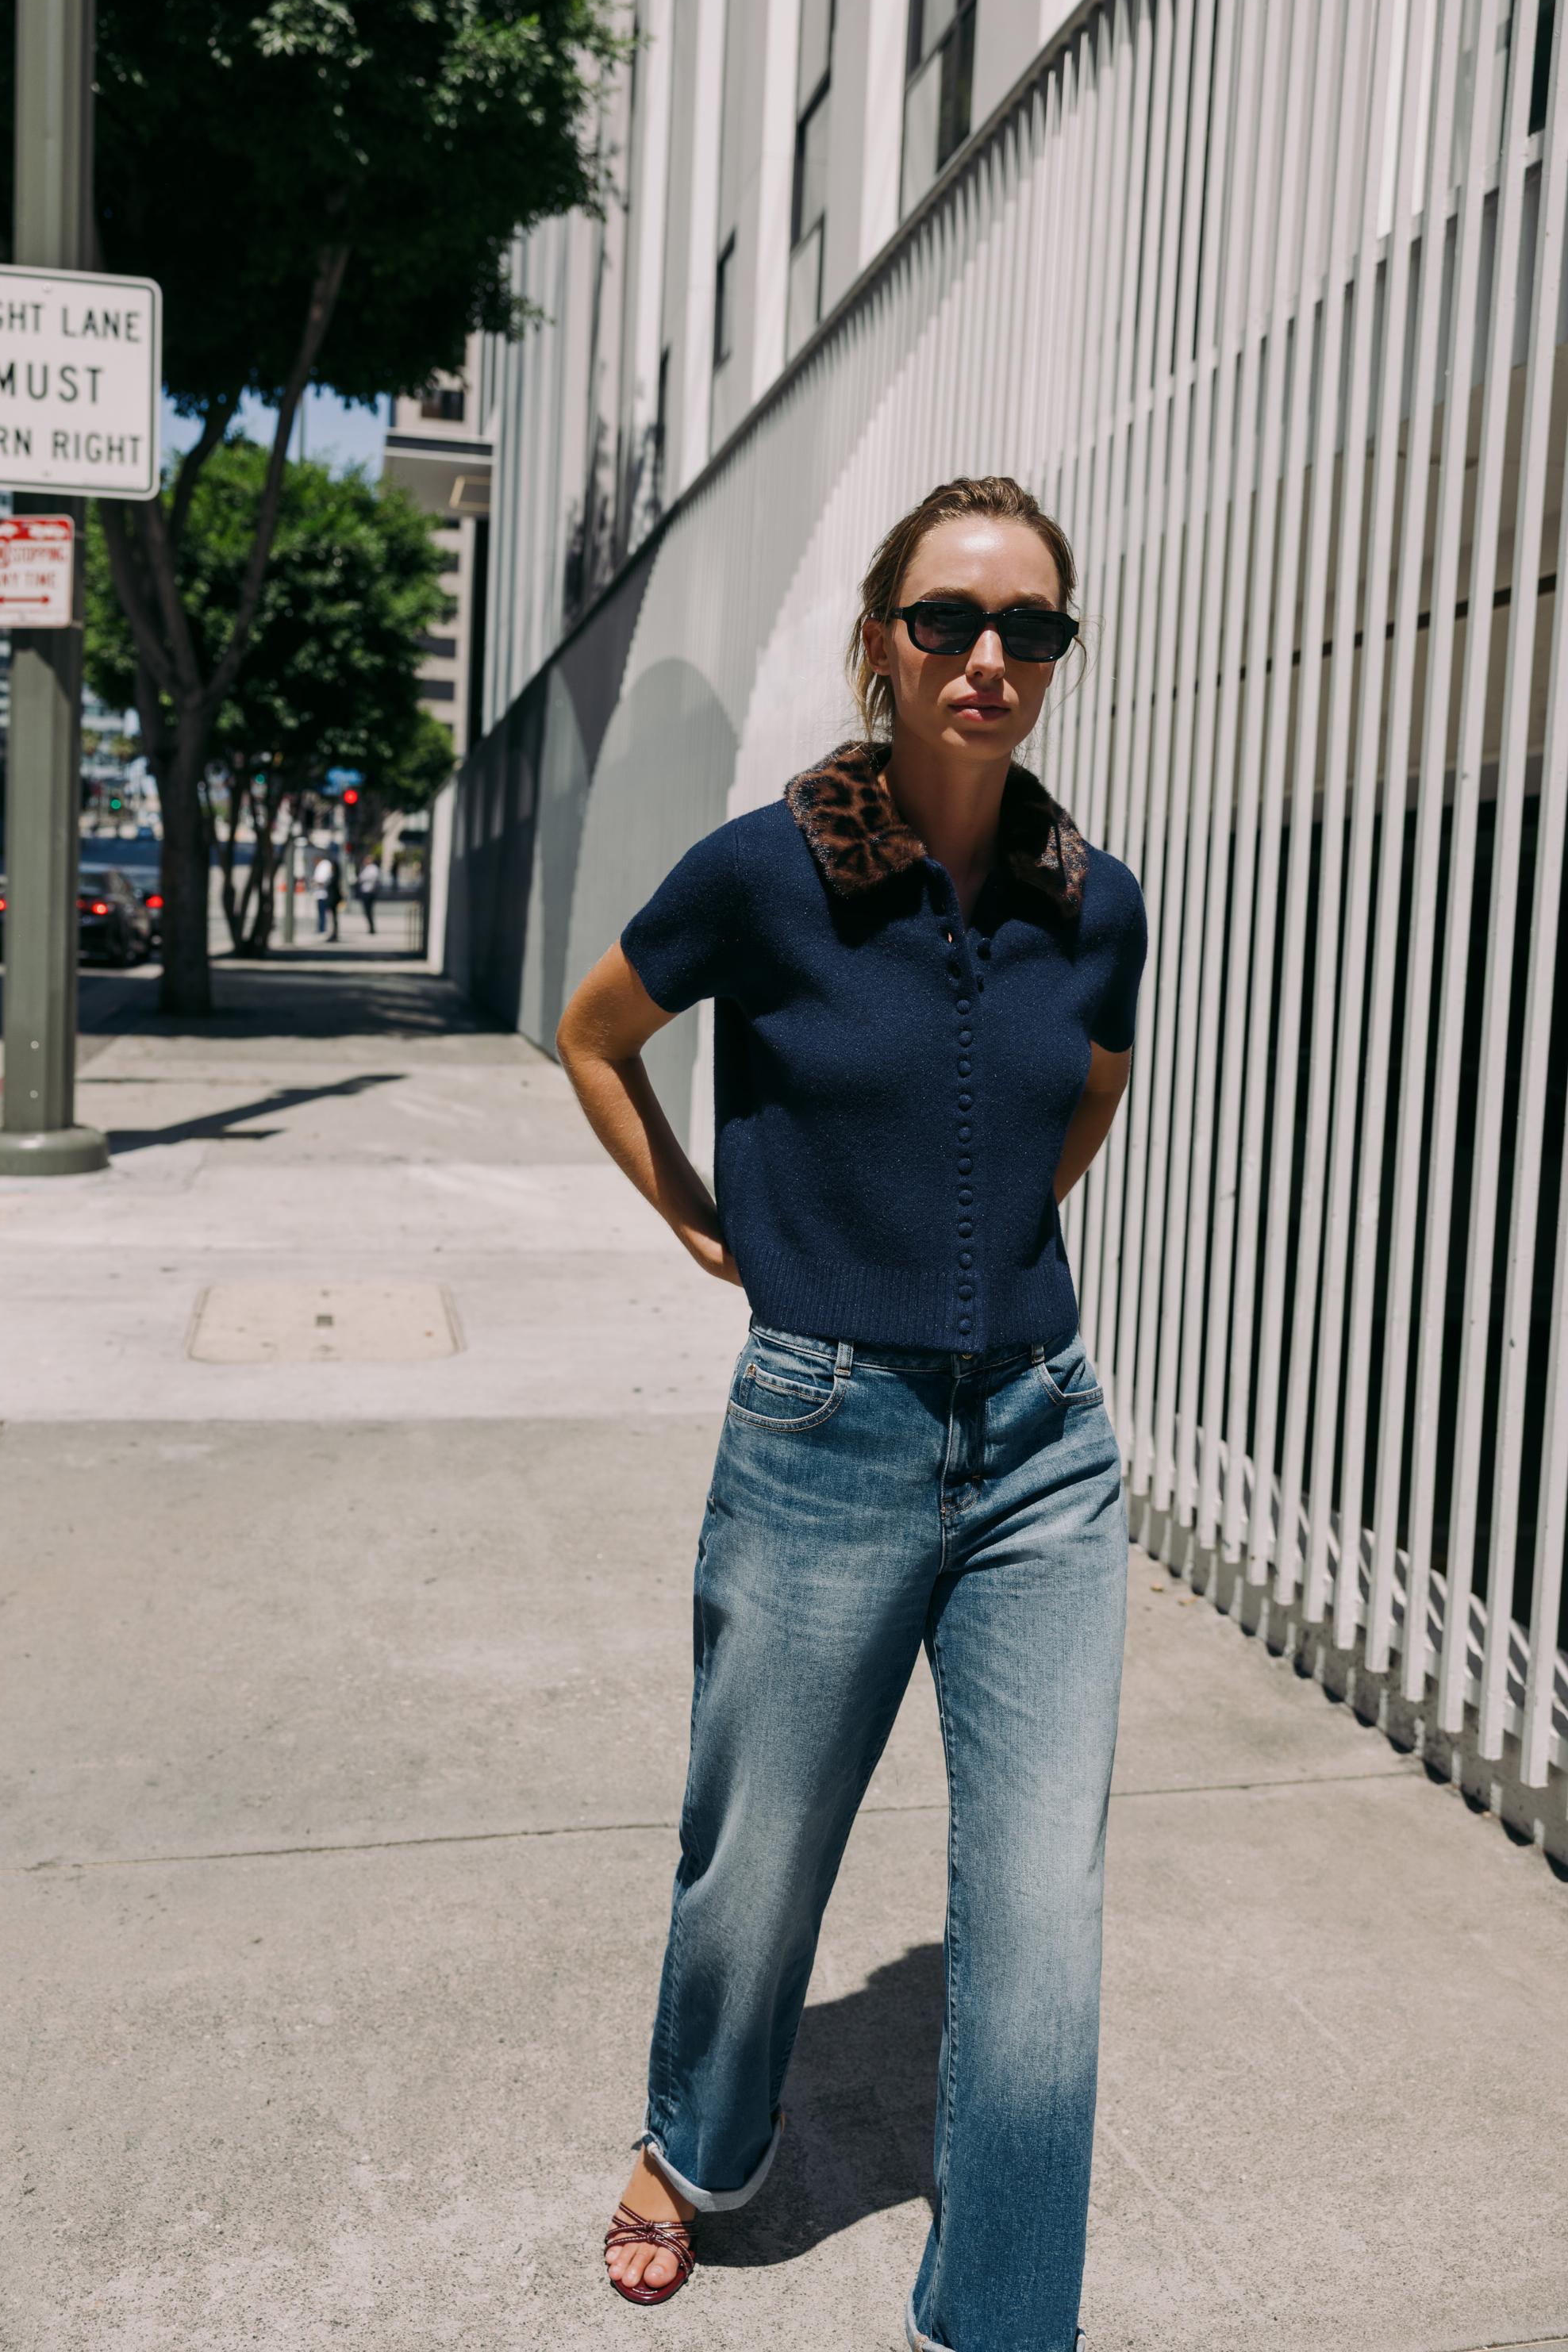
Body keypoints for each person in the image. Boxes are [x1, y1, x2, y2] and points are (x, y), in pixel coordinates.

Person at [556, 475, 1148, 2352]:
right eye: (951, 617)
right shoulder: (765, 869)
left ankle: (994, 2319)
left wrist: (973, 1249)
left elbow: (1082, 1097)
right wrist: (700, 1219)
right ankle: (698, 2140)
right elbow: (591, 1030)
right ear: (880, 634)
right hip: (826, 1432)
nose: (988, 657)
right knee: (760, 1857)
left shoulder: (1094, 900)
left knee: (1037, 1914)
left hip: (1042, 1445)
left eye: (1028, 627)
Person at [313, 850, 335, 938]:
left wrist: (317, 882)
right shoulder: (323, 866)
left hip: (323, 893)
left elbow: (323, 879)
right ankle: (321, 927)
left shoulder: (325, 865)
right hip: (320, 893)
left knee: (323, 912)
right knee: (321, 912)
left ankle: (322, 928)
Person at [356, 855, 379, 934]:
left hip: (370, 892)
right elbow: (360, 878)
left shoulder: (373, 868)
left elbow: (369, 878)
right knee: (366, 911)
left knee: (369, 911)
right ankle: (370, 927)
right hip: (365, 891)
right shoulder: (365, 868)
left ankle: (372, 927)